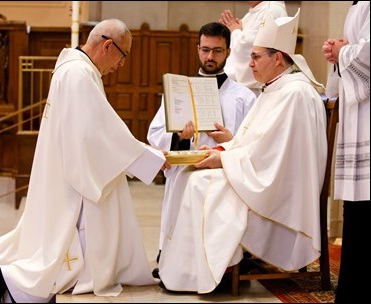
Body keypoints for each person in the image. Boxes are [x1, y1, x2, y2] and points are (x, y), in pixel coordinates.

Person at [0, 19, 169, 303]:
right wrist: (151, 159)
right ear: (108, 46)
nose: (121, 65)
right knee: (61, 257)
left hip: (63, 168)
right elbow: (98, 134)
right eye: (123, 56)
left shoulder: (74, 68)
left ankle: (4, 280)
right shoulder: (78, 74)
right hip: (72, 179)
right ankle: (5, 280)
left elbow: (96, 129)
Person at [157, 9, 328, 294]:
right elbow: (263, 145)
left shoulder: (295, 93)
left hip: (282, 191)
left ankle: (215, 270)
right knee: (190, 178)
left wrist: (223, 156)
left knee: (200, 184)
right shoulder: (276, 88)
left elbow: (275, 158)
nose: (249, 64)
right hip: (261, 175)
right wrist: (228, 144)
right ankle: (189, 270)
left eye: (255, 56)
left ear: (277, 58)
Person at [147, 22, 256, 271]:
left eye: (217, 51)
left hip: (224, 177)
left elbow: (254, 144)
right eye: (205, 50)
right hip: (185, 174)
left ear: (228, 52)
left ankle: (223, 268)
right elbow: (155, 132)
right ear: (197, 49)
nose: (210, 56)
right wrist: (181, 137)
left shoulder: (244, 96)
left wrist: (230, 139)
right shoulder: (178, 91)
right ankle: (176, 267)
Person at [321, 2, 370, 302]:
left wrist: (343, 52)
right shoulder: (357, 4)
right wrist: (338, 54)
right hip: (358, 119)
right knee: (358, 211)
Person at [219, 1, 287, 96]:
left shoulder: (272, 10)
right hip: (241, 87)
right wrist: (236, 29)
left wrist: (235, 31)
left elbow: (253, 49)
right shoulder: (255, 11)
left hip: (254, 90)